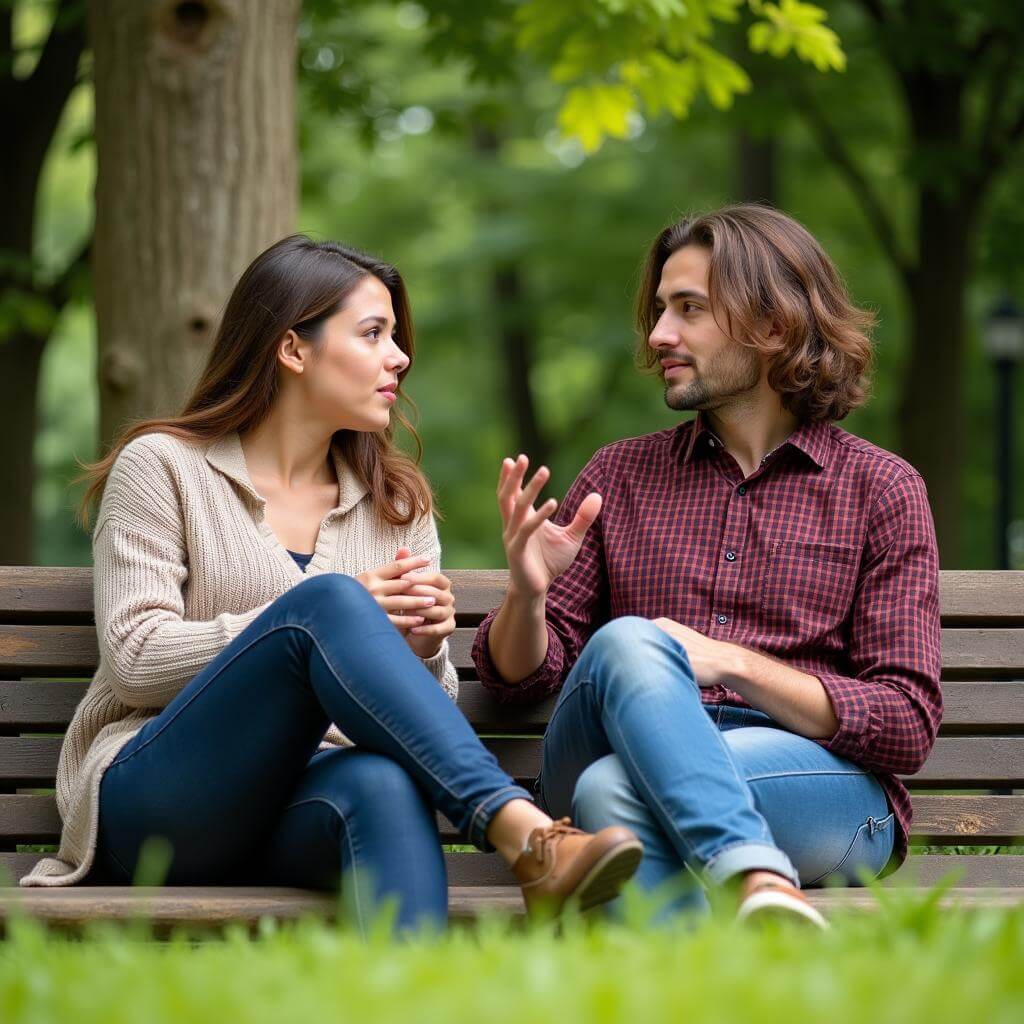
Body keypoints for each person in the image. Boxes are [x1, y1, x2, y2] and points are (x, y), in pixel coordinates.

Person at [20, 235, 642, 933]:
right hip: (162, 802)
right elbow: (134, 662)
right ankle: (526, 835)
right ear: (293, 349)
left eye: (397, 337)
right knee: (327, 601)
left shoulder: (397, 504)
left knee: (380, 781)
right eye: (374, 333)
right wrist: (311, 619)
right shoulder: (163, 468)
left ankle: (418, 996)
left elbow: (422, 713)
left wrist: (422, 648)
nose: (401, 356)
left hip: (302, 802)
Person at [473, 205, 942, 927]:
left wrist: (733, 664)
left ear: (775, 325)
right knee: (630, 642)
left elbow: (906, 722)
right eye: (661, 309)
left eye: (689, 309)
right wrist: (528, 596)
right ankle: (754, 873)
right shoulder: (620, 475)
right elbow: (518, 684)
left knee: (608, 795)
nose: (660, 334)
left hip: (807, 784)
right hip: (622, 749)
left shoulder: (880, 489)